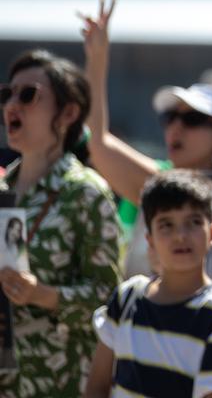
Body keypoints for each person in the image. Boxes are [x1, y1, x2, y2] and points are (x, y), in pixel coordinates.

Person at [79, 0, 212, 289]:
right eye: (169, 118)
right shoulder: (155, 182)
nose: (176, 127)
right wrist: (97, 58)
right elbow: (98, 141)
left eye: (192, 119)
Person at [0, 50, 121, 398]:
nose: (12, 105)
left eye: (28, 95)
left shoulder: (85, 193)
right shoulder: (2, 189)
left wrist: (44, 295)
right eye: (7, 94)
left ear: (68, 113)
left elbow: (111, 302)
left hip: (60, 383)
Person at [84, 171, 212, 398]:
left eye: (194, 222)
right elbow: (96, 388)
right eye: (166, 225)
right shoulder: (126, 298)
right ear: (150, 239)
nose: (181, 235)